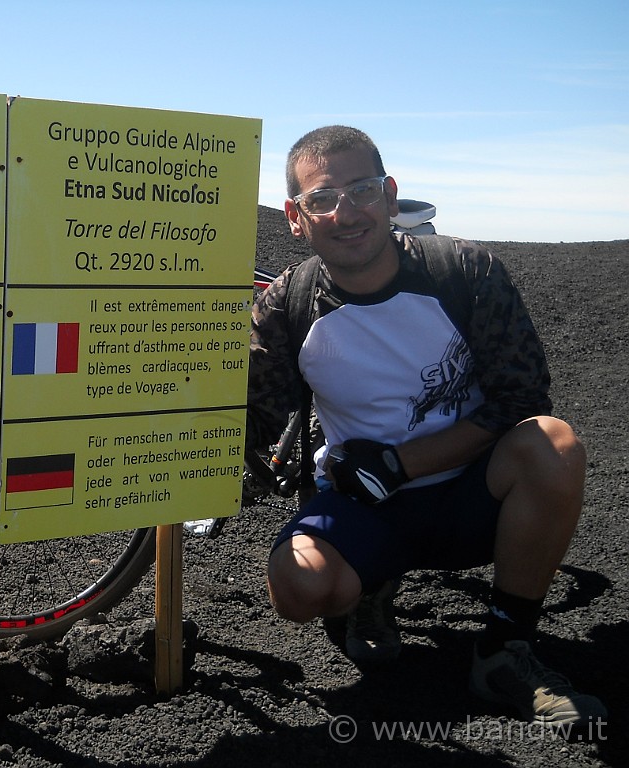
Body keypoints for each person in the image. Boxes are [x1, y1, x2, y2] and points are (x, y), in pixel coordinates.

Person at [247, 125, 606, 729]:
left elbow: (522, 397)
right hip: (363, 505)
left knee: (554, 445)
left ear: (390, 195)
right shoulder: (289, 304)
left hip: (473, 494)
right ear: (296, 217)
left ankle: (504, 650)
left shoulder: (464, 272)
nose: (347, 212)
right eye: (322, 199)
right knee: (298, 588)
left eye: (362, 190)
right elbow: (254, 417)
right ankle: (367, 590)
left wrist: (401, 465)